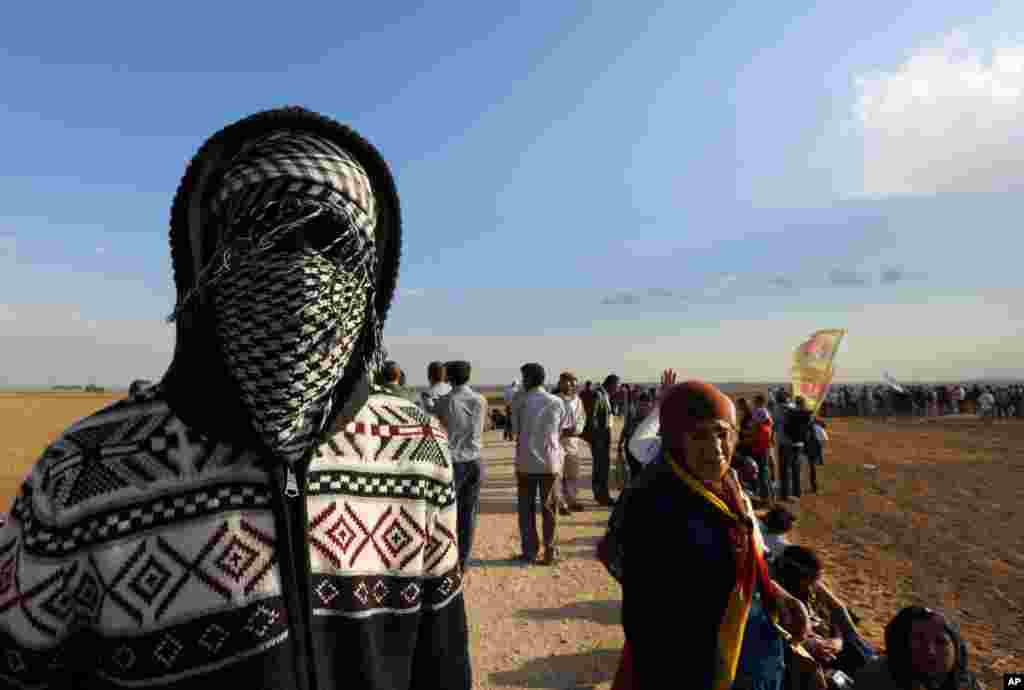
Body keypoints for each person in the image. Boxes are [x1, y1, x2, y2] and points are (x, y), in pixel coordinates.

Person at [0, 107, 471, 690]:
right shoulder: (81, 475)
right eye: (264, 232)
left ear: (372, 278)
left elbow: (441, 664)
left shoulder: (416, 449)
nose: (301, 270)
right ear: (207, 261)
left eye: (331, 239)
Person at [612, 373, 810, 690]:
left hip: (751, 653)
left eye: (722, 434)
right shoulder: (652, 504)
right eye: (700, 436)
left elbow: (744, 564)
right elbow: (649, 622)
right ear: (676, 438)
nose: (716, 448)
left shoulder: (727, 486)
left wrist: (777, 595)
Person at [773, 546, 877, 681]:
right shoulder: (785, 604)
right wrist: (810, 644)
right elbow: (787, 638)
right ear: (796, 578)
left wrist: (837, 641)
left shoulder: (812, 595)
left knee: (857, 653)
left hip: (833, 648)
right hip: (811, 658)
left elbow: (835, 619)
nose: (815, 588)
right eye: (811, 582)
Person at [510, 363, 569, 565]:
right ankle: (550, 552)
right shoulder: (557, 401)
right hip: (550, 463)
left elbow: (515, 429)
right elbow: (561, 428)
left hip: (525, 462)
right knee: (550, 509)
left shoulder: (520, 401)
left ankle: (529, 552)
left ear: (527, 379)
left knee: (526, 511)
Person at [435, 360, 487, 571]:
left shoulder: (446, 401)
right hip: (475, 460)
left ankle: (448, 558)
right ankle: (463, 561)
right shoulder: (480, 399)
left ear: (450, 377)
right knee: (469, 513)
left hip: (454, 461)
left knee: (447, 513)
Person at [855, 607, 982, 690]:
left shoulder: (968, 685)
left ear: (956, 650)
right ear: (903, 646)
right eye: (919, 639)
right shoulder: (876, 678)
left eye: (940, 642)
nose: (930, 651)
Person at [555, 371, 587, 513]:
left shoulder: (577, 400)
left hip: (573, 441)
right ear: (561, 383)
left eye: (573, 384)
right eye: (567, 383)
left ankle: (572, 500)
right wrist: (562, 431)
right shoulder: (555, 400)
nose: (571, 386)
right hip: (558, 441)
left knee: (573, 473)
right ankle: (560, 504)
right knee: (558, 475)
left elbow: (582, 418)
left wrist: (577, 430)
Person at [589, 374, 620, 506]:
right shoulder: (599, 395)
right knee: (600, 467)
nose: (618, 389)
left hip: (604, 434)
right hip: (600, 436)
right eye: (617, 386)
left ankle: (601, 494)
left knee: (603, 466)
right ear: (611, 384)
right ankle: (602, 496)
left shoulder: (604, 394)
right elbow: (593, 417)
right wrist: (597, 437)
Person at [781, 396, 814, 501]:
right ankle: (797, 492)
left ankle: (786, 493)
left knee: (786, 470)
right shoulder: (807, 414)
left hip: (789, 443)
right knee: (796, 469)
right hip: (799, 443)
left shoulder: (791, 413)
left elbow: (786, 426)